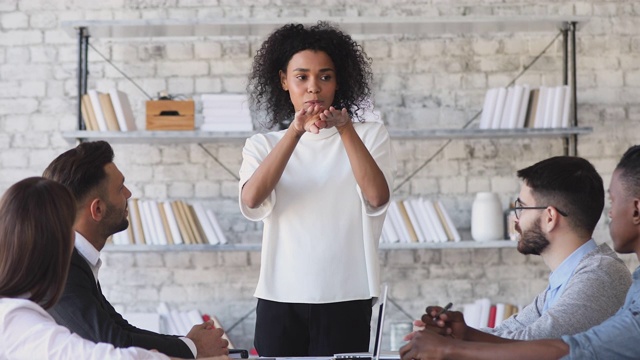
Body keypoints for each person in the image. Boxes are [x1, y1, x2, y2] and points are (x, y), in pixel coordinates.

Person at [239, 22, 396, 357]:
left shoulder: (369, 136)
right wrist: (295, 131)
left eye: (325, 76)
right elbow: (252, 200)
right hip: (279, 296)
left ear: (338, 81)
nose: (314, 87)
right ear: (284, 80)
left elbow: (377, 197)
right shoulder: (261, 144)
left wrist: (344, 129)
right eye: (302, 77)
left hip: (347, 295)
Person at [400, 145, 640, 360]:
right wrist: (461, 333)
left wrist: (451, 347)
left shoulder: (600, 274)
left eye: (521, 208)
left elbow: (538, 346)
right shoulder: (567, 277)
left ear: (549, 217)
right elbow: (513, 334)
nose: (515, 220)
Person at [42, 141, 229, 359]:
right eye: (121, 188)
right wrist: (193, 347)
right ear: (98, 209)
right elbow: (111, 342)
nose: (129, 194)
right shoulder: (61, 267)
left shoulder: (75, 258)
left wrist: (188, 344)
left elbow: (121, 329)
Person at [0, 177, 197, 359]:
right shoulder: (12, 318)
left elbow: (112, 335)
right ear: (59, 242)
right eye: (70, 226)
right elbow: (97, 354)